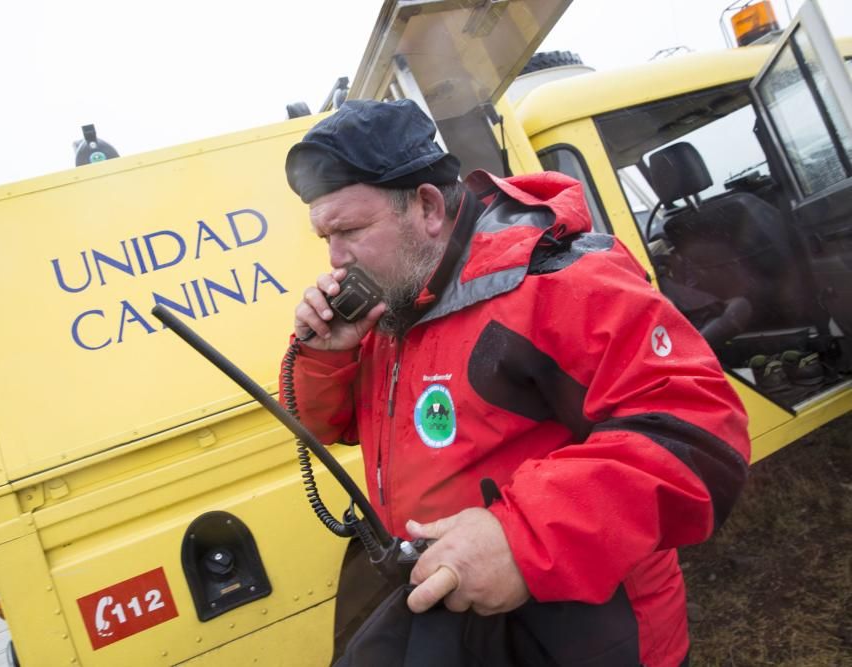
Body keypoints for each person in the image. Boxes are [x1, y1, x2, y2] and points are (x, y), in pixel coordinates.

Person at [281, 99, 751, 667]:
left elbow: (701, 432)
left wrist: (523, 538)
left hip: (585, 628)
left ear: (428, 207)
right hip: (465, 608)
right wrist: (325, 356)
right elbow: (322, 428)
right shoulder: (396, 300)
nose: (335, 258)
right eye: (325, 237)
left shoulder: (556, 281)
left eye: (351, 229)